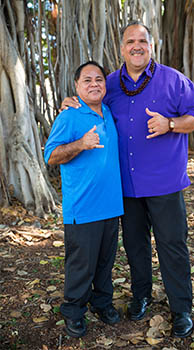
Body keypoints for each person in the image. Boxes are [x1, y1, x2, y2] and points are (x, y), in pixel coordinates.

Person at [61, 21, 194, 338]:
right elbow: (87, 105)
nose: (137, 46)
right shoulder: (109, 83)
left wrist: (170, 124)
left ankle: (181, 309)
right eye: (130, 41)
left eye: (143, 40)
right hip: (126, 188)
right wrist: (69, 104)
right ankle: (141, 296)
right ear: (122, 47)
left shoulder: (174, 80)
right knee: (135, 247)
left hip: (165, 184)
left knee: (172, 246)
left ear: (151, 45)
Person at [44, 61, 124, 338]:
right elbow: (51, 156)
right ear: (77, 86)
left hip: (111, 205)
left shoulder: (109, 112)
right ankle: (74, 311)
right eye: (87, 80)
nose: (94, 84)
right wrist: (80, 144)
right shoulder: (69, 116)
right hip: (83, 206)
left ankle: (102, 303)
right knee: (81, 264)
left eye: (99, 79)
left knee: (105, 262)